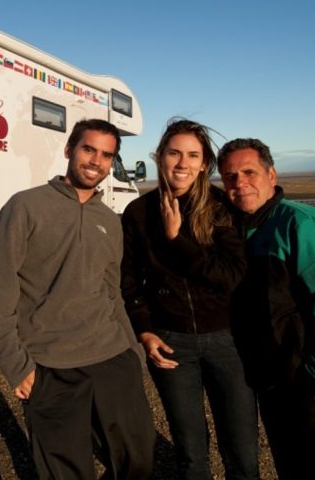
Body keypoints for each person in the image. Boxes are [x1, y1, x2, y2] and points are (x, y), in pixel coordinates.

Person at [0, 118, 155, 480]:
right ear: (68, 150)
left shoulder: (110, 220)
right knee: (65, 472)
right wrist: (17, 365)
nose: (96, 161)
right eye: (88, 149)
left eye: (106, 155)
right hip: (49, 364)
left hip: (112, 358)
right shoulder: (24, 206)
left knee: (137, 461)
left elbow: (112, 293)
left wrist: (132, 353)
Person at [213, 138, 315, 480]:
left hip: (313, 384)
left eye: (249, 172)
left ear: (272, 174)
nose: (240, 183)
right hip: (273, 383)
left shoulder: (303, 224)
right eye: (229, 176)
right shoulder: (242, 230)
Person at [120, 119, 259, 480]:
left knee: (242, 451)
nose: (182, 163)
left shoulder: (220, 207)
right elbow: (129, 280)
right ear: (159, 156)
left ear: (204, 164)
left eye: (193, 155)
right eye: (174, 153)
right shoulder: (138, 213)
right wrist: (144, 331)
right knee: (191, 453)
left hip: (229, 341)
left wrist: (177, 239)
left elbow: (231, 276)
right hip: (171, 343)